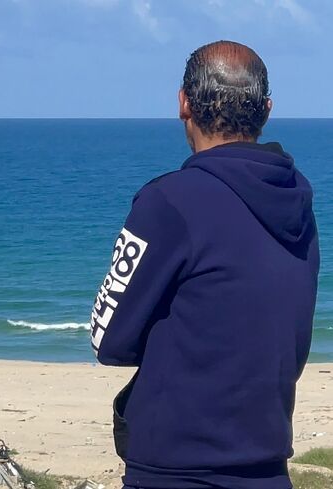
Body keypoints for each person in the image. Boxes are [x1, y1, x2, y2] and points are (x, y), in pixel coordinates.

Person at [90, 40, 319, 489]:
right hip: (268, 465)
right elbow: (288, 339)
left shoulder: (169, 201)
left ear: (183, 104)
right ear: (266, 110)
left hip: (175, 469)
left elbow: (108, 337)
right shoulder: (299, 202)